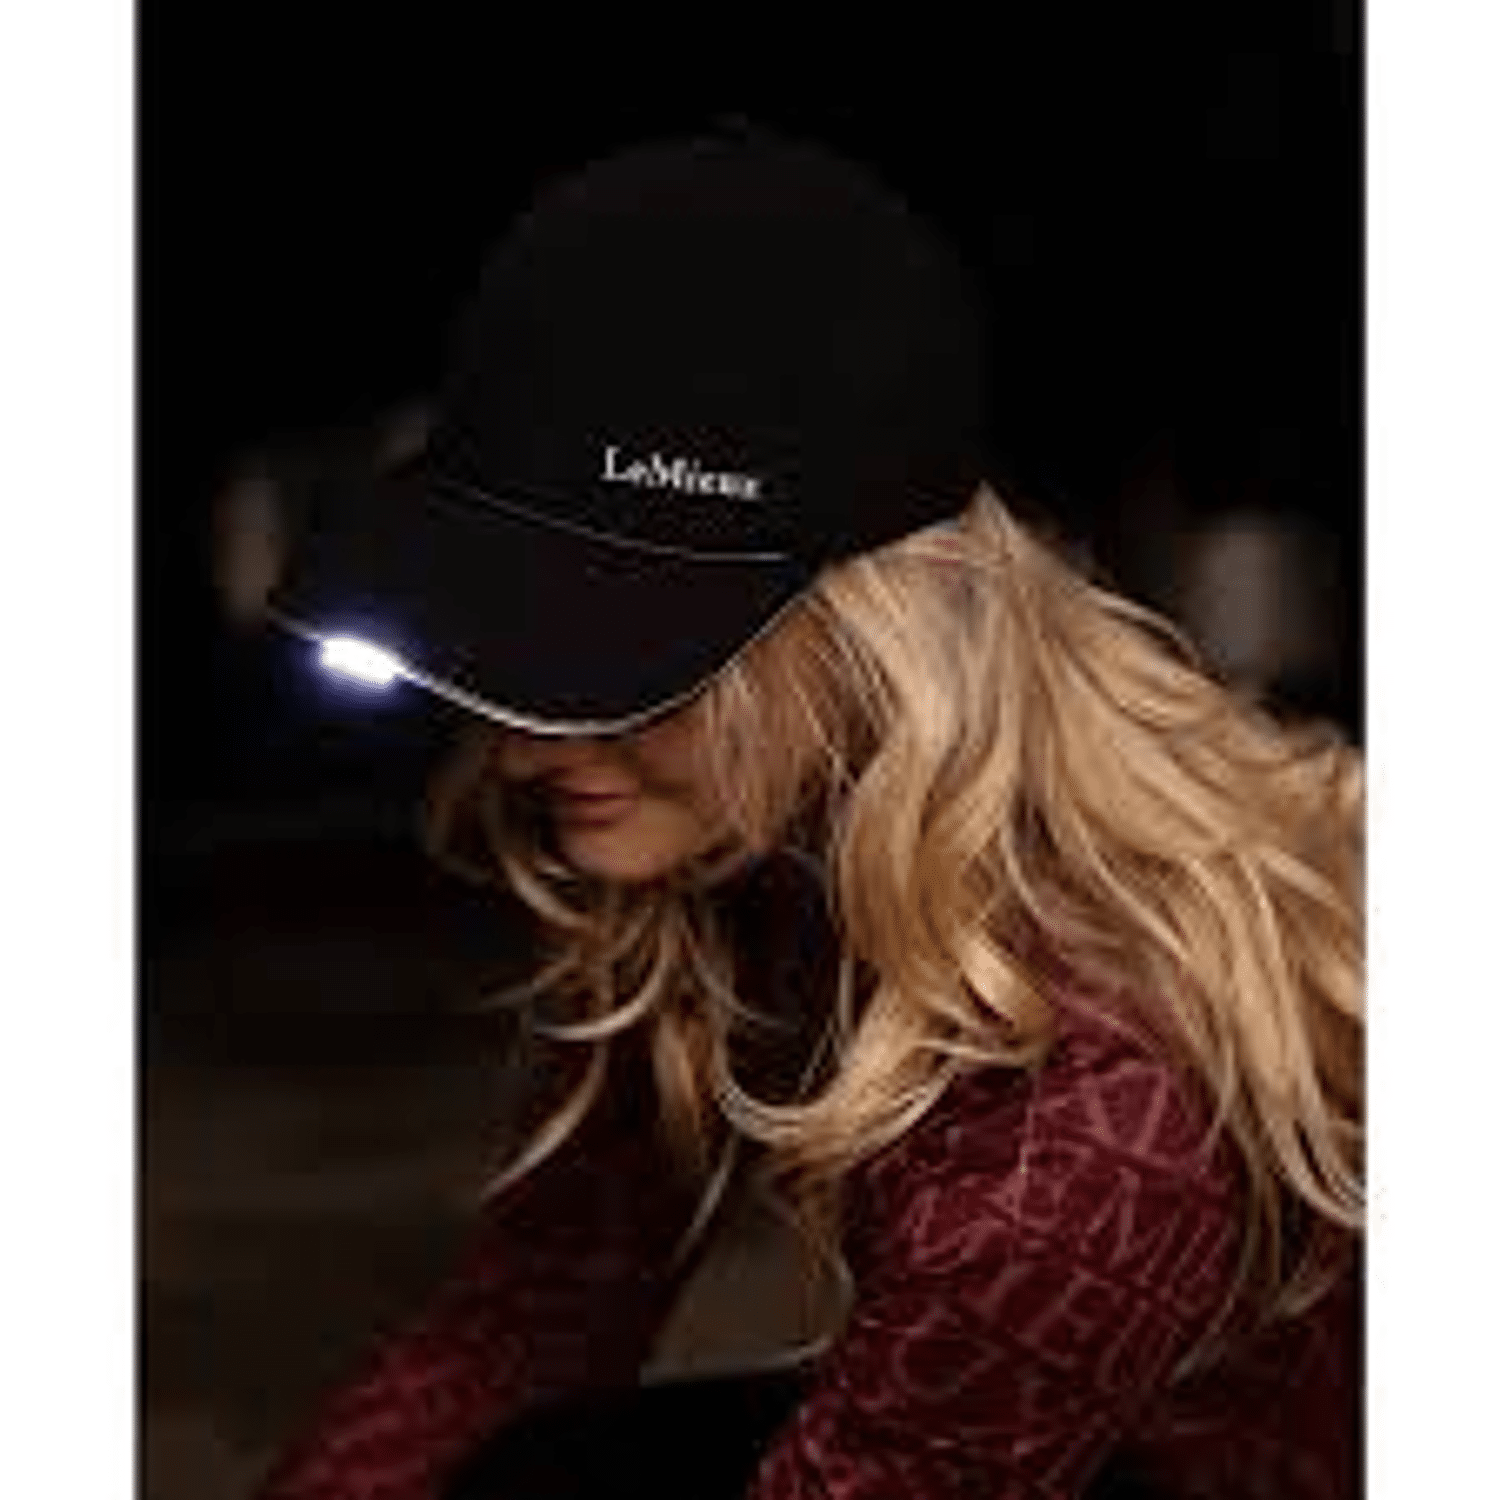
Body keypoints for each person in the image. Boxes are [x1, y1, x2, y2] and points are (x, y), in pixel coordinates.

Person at [250, 122, 1362, 1499]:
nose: (528, 749)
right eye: (506, 650)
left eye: (612, 671)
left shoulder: (1086, 1120)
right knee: (537, 1468)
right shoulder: (731, 833)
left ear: (872, 636)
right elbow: (523, 1327)